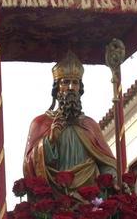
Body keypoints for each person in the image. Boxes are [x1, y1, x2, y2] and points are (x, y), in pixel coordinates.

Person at [22, 52, 119, 192]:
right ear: (57, 89)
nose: (71, 87)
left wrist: (114, 177)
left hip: (90, 198)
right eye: (65, 82)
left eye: (75, 82)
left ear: (80, 88)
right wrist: (50, 141)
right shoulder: (40, 123)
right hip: (56, 196)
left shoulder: (90, 125)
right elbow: (28, 165)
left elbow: (106, 162)